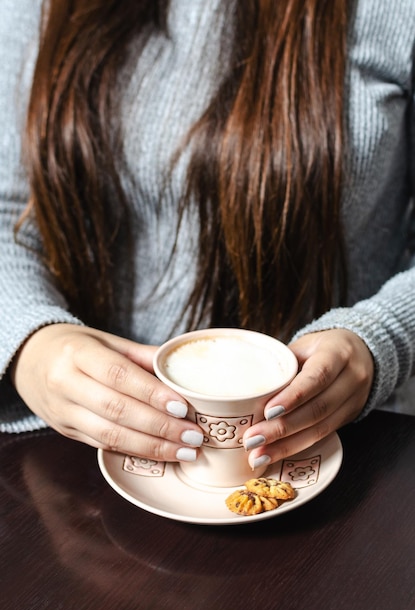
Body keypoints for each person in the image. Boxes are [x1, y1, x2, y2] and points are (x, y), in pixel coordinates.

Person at [0, 0, 414, 472]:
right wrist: (31, 346)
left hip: (345, 464)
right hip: (77, 460)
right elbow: (6, 212)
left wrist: (384, 336)